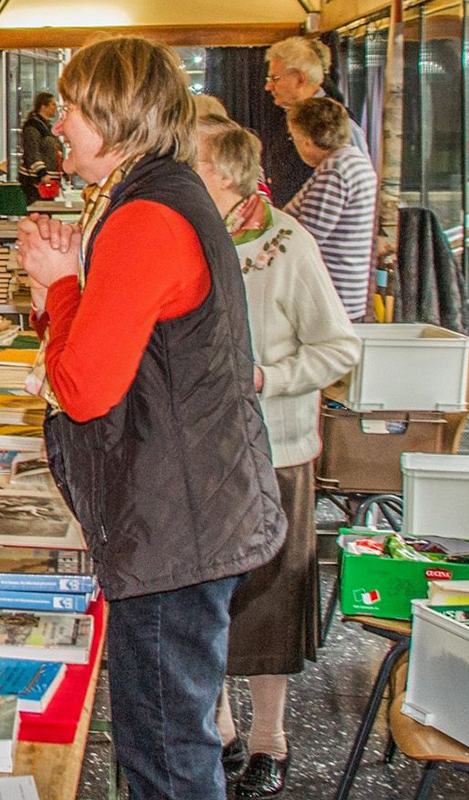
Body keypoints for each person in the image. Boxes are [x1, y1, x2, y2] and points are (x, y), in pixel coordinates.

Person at [17, 37, 286, 800]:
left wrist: (62, 284)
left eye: (71, 107)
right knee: (167, 736)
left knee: (166, 752)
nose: (58, 122)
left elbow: (84, 388)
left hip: (176, 525)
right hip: (183, 512)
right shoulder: (155, 195)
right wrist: (58, 295)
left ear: (116, 113)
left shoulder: (146, 216)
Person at [195, 117, 359, 798]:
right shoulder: (190, 237)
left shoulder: (289, 245)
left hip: (277, 450)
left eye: (192, 161)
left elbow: (340, 348)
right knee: (208, 597)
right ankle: (222, 725)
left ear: (227, 175)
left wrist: (269, 377)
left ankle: (271, 735)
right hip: (203, 447)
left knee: (271, 595)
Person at [283, 97, 378, 320]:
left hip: (334, 295)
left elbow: (306, 236)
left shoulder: (334, 172)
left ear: (306, 140)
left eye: (293, 137)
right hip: (346, 293)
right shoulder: (354, 160)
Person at [263, 37, 368, 203]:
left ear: (300, 79)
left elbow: (360, 187)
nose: (268, 87)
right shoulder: (291, 117)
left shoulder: (338, 122)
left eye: (275, 79)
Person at [18, 92, 62, 205]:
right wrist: (42, 173)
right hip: (35, 180)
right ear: (43, 106)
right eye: (52, 104)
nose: (55, 108)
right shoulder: (33, 126)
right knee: (39, 211)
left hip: (47, 179)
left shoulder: (45, 126)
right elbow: (32, 151)